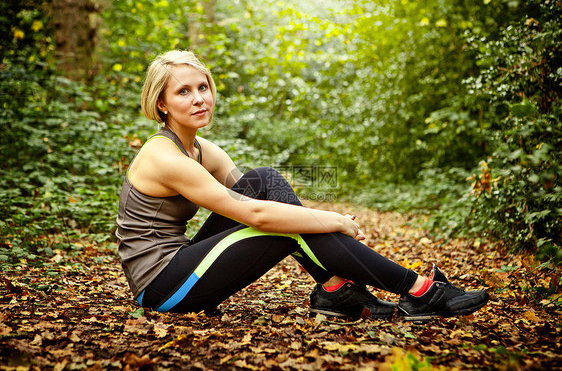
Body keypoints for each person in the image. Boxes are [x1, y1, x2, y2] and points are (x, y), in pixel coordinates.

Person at [116, 50, 489, 321]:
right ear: (161, 104)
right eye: (183, 92)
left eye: (203, 87)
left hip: (183, 264)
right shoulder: (164, 156)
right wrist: (333, 219)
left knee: (265, 178)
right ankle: (421, 290)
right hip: (162, 286)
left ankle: (336, 290)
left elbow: (261, 192)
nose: (199, 98)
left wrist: (312, 217)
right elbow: (253, 213)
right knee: (287, 228)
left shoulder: (201, 149)